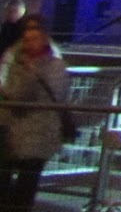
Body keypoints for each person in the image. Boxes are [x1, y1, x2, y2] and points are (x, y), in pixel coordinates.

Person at [0, 15, 72, 212]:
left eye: (34, 35)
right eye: (27, 35)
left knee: (26, 184)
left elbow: (22, 95)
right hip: (13, 131)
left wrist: (28, 74)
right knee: (5, 182)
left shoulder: (53, 64)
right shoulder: (15, 59)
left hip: (39, 132)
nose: (29, 41)